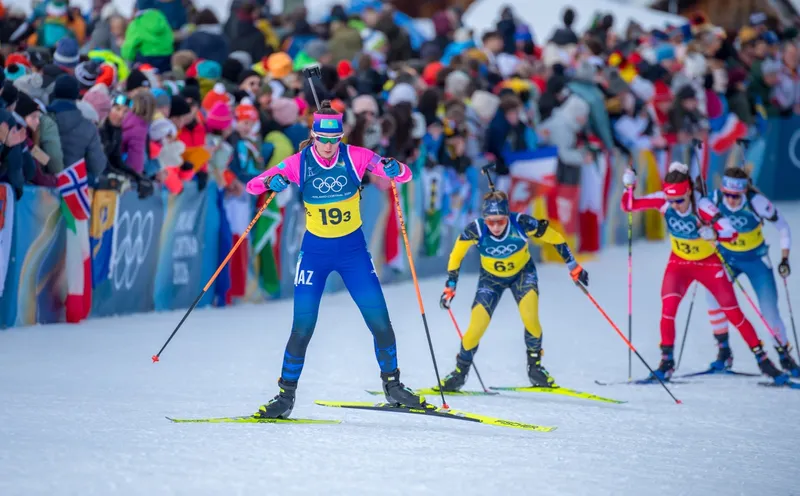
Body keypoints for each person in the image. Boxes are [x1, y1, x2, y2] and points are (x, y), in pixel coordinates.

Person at [245, 100, 424, 418]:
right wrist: (271, 182)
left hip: (353, 253)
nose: (328, 146)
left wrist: (397, 169)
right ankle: (285, 397)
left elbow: (404, 175)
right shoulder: (298, 163)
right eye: (322, 140)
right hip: (315, 254)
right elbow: (252, 184)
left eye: (334, 140)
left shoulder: (356, 156)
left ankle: (393, 385)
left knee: (380, 323)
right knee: (302, 328)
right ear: (313, 136)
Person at [621, 162, 788, 384]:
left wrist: (714, 234)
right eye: (671, 201)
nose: (675, 206)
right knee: (668, 310)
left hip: (709, 265)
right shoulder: (664, 200)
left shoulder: (704, 206)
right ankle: (666, 364)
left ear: (689, 192)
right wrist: (628, 186)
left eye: (680, 201)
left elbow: (731, 232)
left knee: (733, 312)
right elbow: (629, 205)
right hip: (679, 264)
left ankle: (764, 361)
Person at [437, 189, 589, 390]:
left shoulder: (522, 223)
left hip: (522, 275)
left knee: (531, 319)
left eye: (501, 221)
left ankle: (535, 369)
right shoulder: (476, 229)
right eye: (491, 222)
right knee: (475, 329)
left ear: (508, 216)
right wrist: (451, 285)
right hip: (491, 280)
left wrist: (573, 266)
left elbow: (555, 238)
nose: (496, 226)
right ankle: (459, 374)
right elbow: (456, 255)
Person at [704, 168, 797, 376]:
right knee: (712, 297)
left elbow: (783, 227)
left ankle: (785, 357)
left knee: (769, 312)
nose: (731, 200)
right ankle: (723, 351)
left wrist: (784, 258)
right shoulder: (714, 199)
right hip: (727, 258)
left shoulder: (757, 203)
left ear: (744, 192)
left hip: (755, 260)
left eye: (736, 196)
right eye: (727, 195)